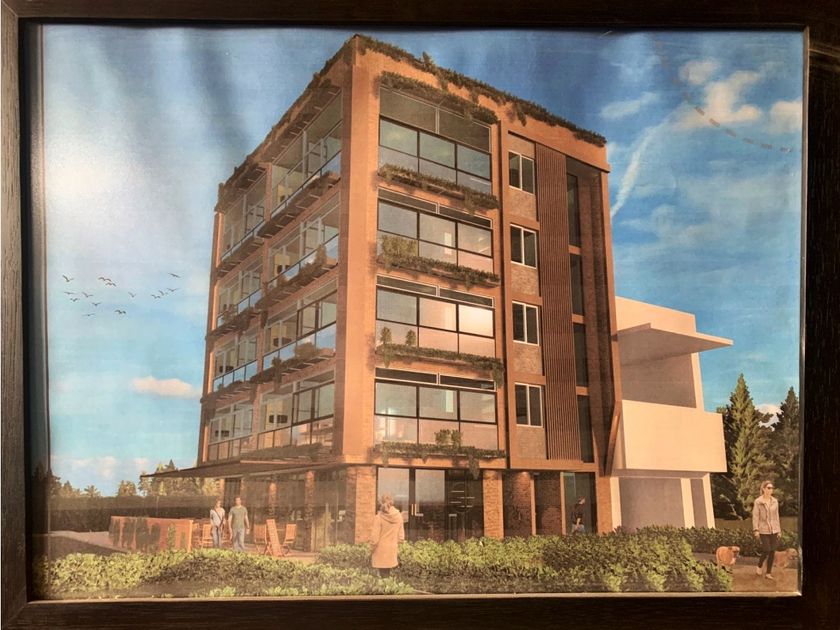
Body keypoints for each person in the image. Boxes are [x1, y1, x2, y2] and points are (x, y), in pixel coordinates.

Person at [369, 493, 405, 577]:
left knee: (382, 576)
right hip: (392, 550)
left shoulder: (378, 517)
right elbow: (401, 538)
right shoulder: (399, 517)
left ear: (381, 502)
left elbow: (374, 539)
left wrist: (371, 549)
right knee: (387, 575)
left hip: (380, 550)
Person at [753, 480, 781, 580]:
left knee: (772, 551)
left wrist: (779, 530)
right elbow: (755, 516)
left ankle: (768, 573)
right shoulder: (758, 501)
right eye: (769, 488)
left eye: (772, 488)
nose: (770, 490)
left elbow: (776, 516)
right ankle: (759, 565)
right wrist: (756, 529)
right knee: (767, 549)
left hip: (774, 530)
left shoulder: (775, 501)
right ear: (764, 489)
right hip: (763, 530)